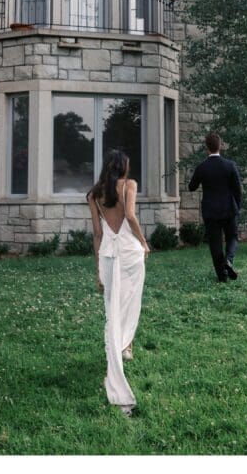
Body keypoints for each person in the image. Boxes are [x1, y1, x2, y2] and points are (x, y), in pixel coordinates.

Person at [87, 150, 150, 417]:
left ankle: (122, 345)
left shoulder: (94, 194)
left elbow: (98, 234)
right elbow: (132, 217)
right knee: (130, 301)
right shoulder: (129, 185)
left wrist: (98, 270)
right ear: (123, 167)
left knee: (112, 307)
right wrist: (145, 243)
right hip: (129, 252)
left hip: (108, 256)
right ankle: (124, 345)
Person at [188, 132, 243, 282]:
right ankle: (229, 261)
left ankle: (222, 276)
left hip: (210, 211)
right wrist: (237, 208)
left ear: (207, 147)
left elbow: (191, 187)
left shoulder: (202, 167)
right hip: (229, 210)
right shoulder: (230, 165)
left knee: (215, 244)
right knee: (232, 237)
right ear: (221, 146)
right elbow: (238, 190)